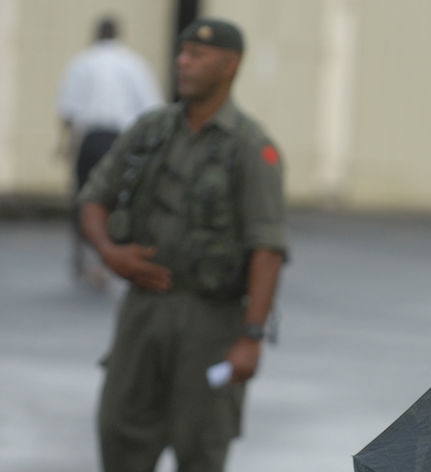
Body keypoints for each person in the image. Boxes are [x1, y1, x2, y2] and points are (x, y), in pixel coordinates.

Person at [77, 17, 288, 472]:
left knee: (202, 446)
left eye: (197, 55)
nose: (183, 63)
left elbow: (268, 249)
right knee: (120, 433)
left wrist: (250, 338)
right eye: (181, 53)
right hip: (143, 310)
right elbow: (94, 198)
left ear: (230, 66)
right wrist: (110, 253)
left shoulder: (252, 147)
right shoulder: (151, 130)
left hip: (210, 320)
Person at [57, 15, 163, 287]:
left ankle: (85, 254)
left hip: (91, 137)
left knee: (85, 196)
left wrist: (65, 144)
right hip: (120, 138)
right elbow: (151, 108)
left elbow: (69, 110)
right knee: (117, 199)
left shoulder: (81, 63)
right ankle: (108, 257)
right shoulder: (134, 64)